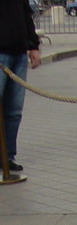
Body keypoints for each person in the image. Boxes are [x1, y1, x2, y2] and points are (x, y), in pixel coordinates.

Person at [0, 0, 41, 173]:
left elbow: (26, 14)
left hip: (18, 53)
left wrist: (33, 45)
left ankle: (8, 156)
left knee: (14, 111)